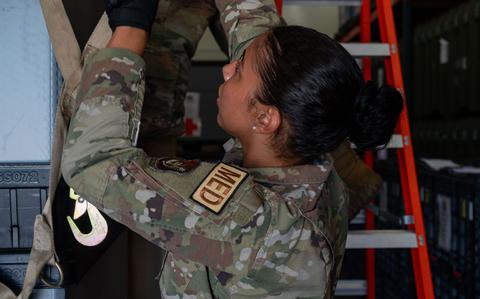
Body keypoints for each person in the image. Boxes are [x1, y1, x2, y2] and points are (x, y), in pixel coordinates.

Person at [61, 1, 403, 296]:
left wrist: (131, 26)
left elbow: (92, 162)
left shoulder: (254, 223)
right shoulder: (304, 137)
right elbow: (257, 38)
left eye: (238, 73)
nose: (226, 69)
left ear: (266, 118)